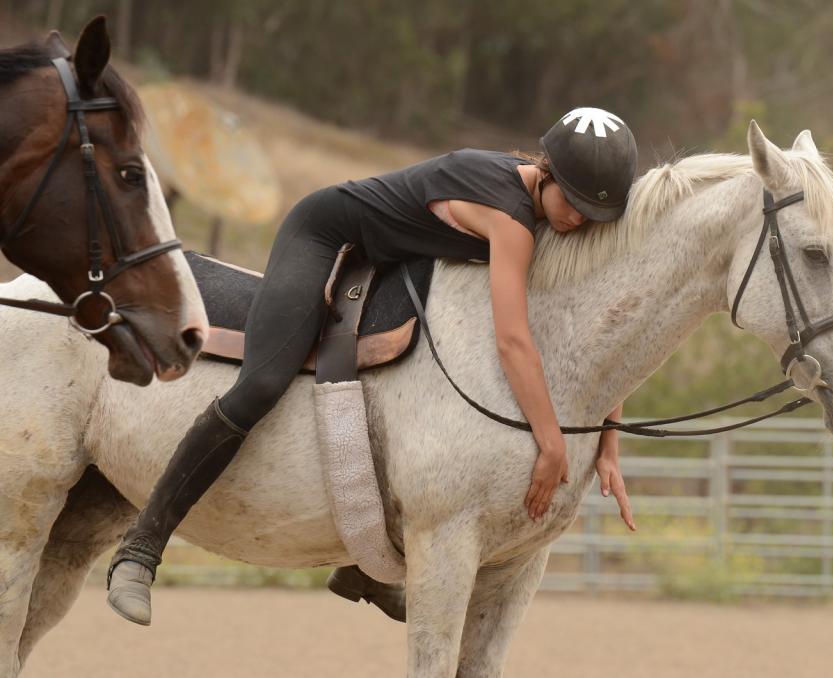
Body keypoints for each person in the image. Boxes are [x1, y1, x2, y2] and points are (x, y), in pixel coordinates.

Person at [106, 106, 639, 626]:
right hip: (327, 234)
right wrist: (552, 444)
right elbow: (514, 342)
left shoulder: (545, 214)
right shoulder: (511, 220)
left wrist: (608, 440)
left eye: (593, 215)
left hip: (393, 254)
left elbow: (591, 337)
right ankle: (141, 548)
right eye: (573, 203)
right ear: (548, 173)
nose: (578, 221)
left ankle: (364, 568)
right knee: (263, 383)